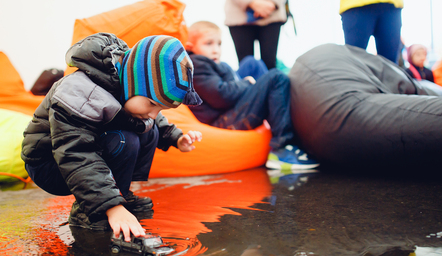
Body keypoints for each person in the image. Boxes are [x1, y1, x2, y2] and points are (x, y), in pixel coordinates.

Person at [21, 33, 203, 242]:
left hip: (79, 154)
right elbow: (76, 151)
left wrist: (177, 138)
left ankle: (119, 195)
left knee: (148, 127)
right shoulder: (82, 91)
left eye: (160, 107)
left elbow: (155, 118)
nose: (155, 112)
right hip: (51, 163)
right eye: (153, 104)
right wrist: (111, 207)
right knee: (126, 138)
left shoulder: (127, 83)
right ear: (133, 83)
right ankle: (88, 211)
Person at [185, 21, 319, 171]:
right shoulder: (196, 64)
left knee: (251, 62)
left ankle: (276, 112)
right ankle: (281, 148)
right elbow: (221, 96)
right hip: (223, 121)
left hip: (228, 112)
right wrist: (246, 83)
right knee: (276, 78)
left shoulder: (214, 64)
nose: (216, 50)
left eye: (219, 44)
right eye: (208, 44)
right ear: (191, 47)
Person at [224, 0, 287, 70]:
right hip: (238, 15)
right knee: (246, 66)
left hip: (272, 14)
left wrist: (272, 3)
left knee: (270, 64)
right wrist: (251, 3)